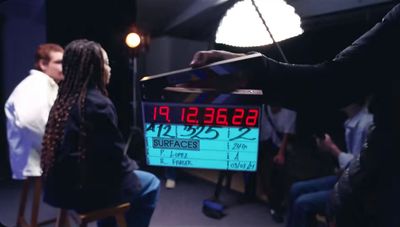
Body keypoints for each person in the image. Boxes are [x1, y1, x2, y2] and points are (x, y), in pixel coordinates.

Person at [190, 3, 400, 226]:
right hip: (370, 192)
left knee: (282, 171)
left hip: (377, 193)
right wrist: (251, 72)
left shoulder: (360, 123)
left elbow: (333, 86)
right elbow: (336, 82)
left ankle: (273, 203)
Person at [40, 39, 160, 227]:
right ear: (93, 68)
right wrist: (132, 165)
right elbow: (114, 156)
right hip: (84, 192)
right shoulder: (97, 104)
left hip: (59, 188)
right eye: (105, 63)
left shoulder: (63, 99)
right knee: (151, 182)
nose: (109, 69)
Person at [286, 99, 373, 227]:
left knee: (302, 203)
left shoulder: (366, 124)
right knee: (295, 188)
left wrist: (332, 148)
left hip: (357, 187)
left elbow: (360, 165)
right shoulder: (350, 122)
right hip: (346, 176)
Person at [5, 43, 64, 180]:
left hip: (38, 157)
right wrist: (57, 144)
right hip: (35, 158)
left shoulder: (42, 84)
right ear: (43, 64)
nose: (64, 67)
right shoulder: (36, 85)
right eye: (59, 62)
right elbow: (30, 121)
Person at [259, 105, 296, 223]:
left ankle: (277, 206)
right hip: (266, 143)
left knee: (280, 175)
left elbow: (287, 135)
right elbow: (261, 128)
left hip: (281, 146)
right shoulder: (264, 108)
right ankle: (272, 204)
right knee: (265, 173)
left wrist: (281, 154)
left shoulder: (290, 111)